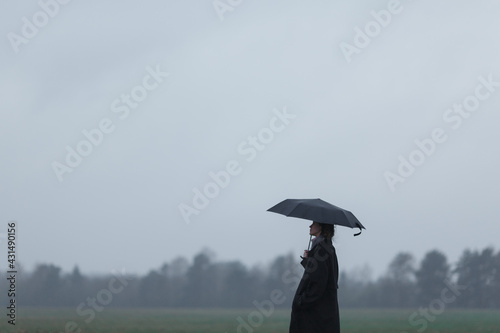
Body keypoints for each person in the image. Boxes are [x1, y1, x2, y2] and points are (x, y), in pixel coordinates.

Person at [289, 221, 340, 333]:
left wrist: (301, 301)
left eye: (314, 223)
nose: (310, 226)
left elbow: (318, 283)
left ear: (322, 226)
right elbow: (320, 274)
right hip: (323, 313)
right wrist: (308, 260)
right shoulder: (325, 247)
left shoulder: (322, 249)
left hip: (317, 315)